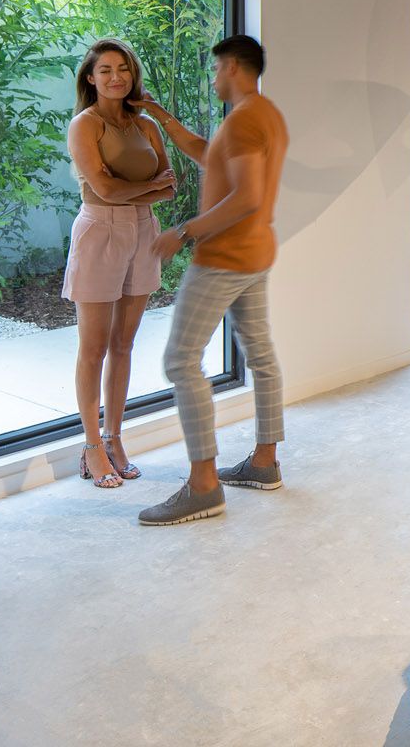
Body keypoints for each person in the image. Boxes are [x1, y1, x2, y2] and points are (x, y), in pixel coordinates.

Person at [129, 35, 289, 526]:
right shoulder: (264, 114)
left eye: (217, 69)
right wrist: (160, 115)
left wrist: (184, 232)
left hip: (224, 258)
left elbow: (247, 197)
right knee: (261, 356)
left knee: (180, 361)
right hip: (255, 253)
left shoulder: (243, 121)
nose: (213, 76)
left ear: (235, 67)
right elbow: (208, 153)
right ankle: (264, 463)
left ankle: (203, 485)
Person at [63, 38, 177, 488]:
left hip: (143, 230)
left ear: (133, 75)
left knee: (124, 346)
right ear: (90, 78)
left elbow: (171, 186)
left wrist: (142, 191)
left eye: (123, 68)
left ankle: (115, 438)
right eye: (105, 70)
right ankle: (92, 447)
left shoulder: (146, 124)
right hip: (100, 231)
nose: (116, 77)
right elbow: (104, 192)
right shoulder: (84, 125)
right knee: (93, 349)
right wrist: (146, 188)